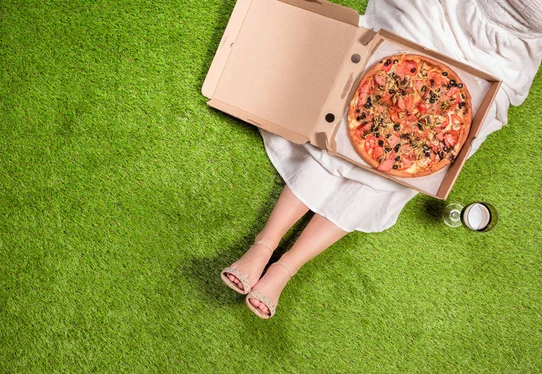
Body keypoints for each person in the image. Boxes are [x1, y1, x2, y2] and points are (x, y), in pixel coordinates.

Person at [221, 0, 542, 319]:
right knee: (349, 115)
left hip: (505, 59)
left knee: (402, 172)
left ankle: (286, 267)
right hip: (443, 12)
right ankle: (264, 245)